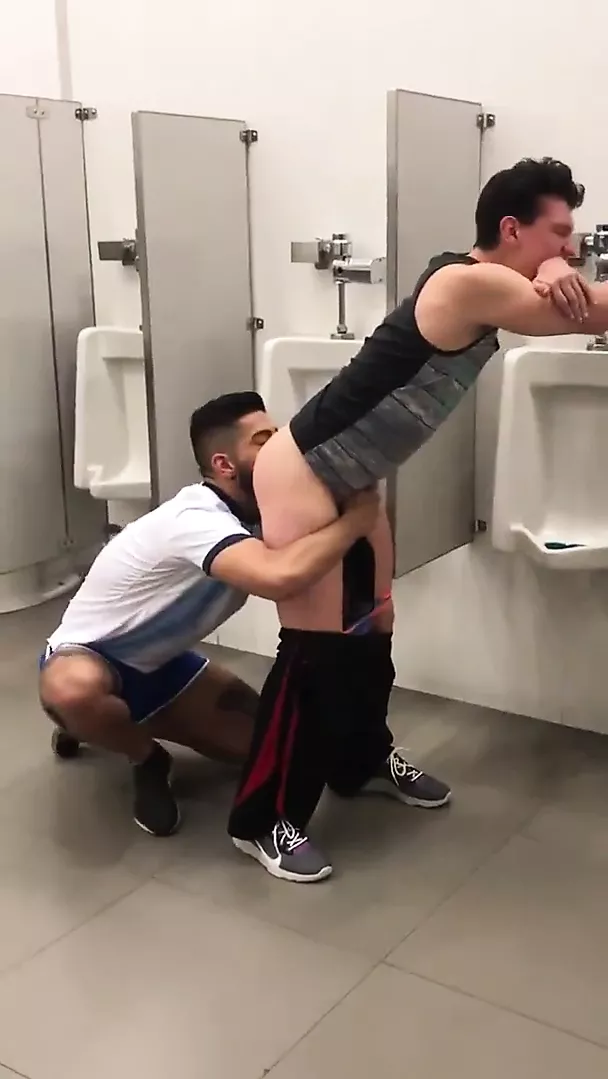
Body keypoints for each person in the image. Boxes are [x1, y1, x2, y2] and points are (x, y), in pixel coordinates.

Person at [229, 156, 606, 882]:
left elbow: (562, 296)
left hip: (351, 475)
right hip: (304, 469)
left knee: (374, 626)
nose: (571, 245)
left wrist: (556, 267)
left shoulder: (479, 278)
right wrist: (562, 277)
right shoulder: (467, 283)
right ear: (512, 228)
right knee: (314, 648)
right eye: (560, 233)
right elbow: (587, 313)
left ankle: (360, 759)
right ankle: (262, 819)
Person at [39, 392, 384, 837]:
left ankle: (101, 725)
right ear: (224, 465)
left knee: (269, 748)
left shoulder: (262, 516)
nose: (280, 448)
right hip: (88, 659)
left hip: (165, 669)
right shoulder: (195, 519)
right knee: (74, 693)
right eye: (264, 440)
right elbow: (279, 577)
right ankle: (144, 756)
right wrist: (356, 521)